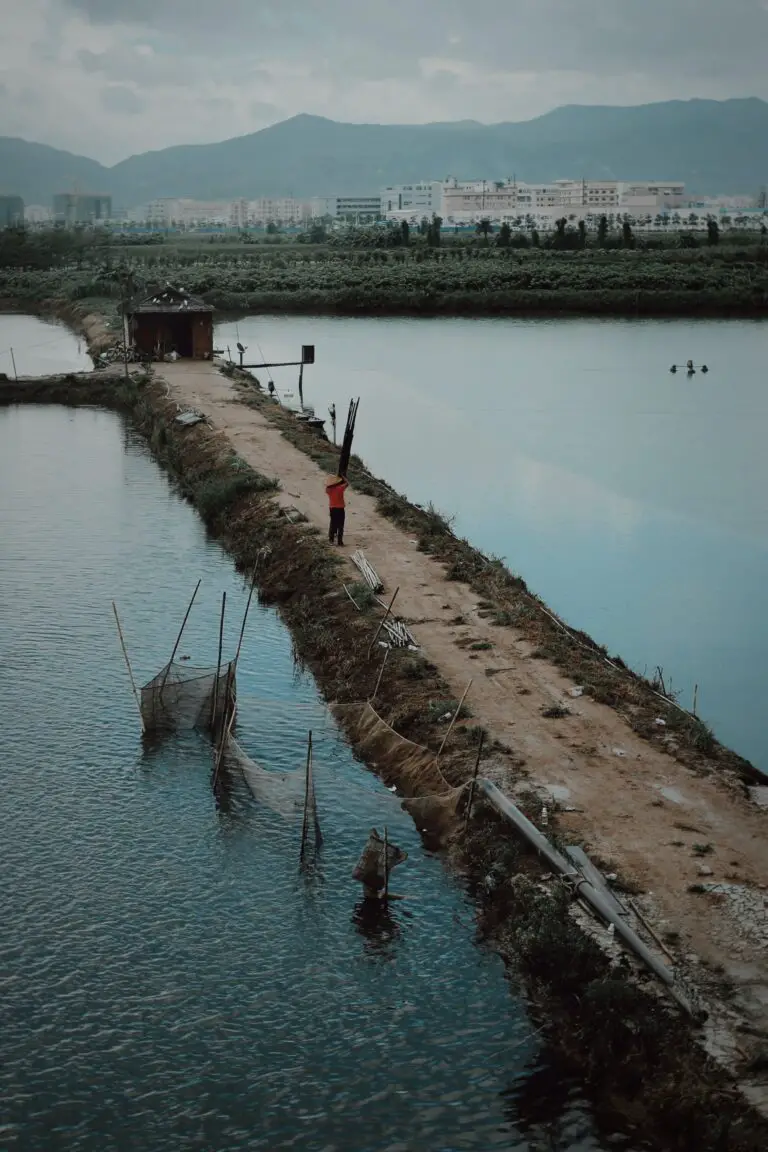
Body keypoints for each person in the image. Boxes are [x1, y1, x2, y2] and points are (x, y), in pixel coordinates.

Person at [325, 473, 348, 546]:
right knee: (341, 526)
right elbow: (347, 483)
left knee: (333, 524)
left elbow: (327, 486)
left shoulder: (328, 490)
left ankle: (331, 540)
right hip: (340, 509)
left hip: (332, 508)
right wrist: (343, 477)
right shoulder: (340, 488)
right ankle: (340, 542)